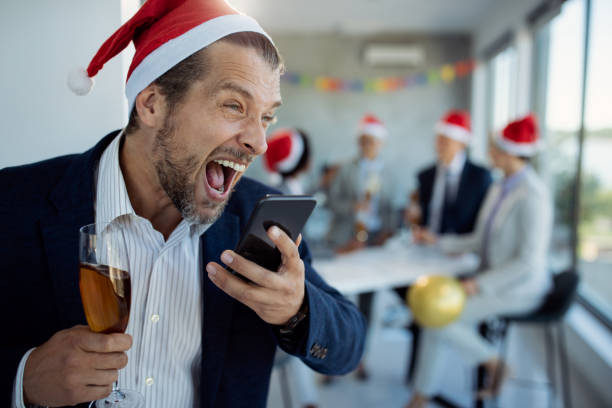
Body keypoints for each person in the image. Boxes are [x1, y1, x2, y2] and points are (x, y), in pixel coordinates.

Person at [0, 1, 366, 407]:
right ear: (152, 103)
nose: (259, 143)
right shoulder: (12, 202)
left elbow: (349, 344)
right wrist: (24, 377)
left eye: (266, 118)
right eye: (234, 106)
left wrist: (297, 309)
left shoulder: (260, 215)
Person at [406, 114, 553, 408]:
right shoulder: (500, 186)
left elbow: (528, 263)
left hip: (520, 289)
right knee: (433, 313)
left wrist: (478, 284)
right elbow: (478, 238)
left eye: (494, 148)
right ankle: (422, 395)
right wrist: (438, 241)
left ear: (511, 152)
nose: (488, 153)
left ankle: (493, 364)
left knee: (437, 318)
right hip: (492, 278)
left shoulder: (533, 195)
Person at [326, 113, 396, 380]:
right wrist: (352, 207)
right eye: (364, 140)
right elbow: (331, 201)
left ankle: (360, 358)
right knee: (337, 300)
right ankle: (332, 358)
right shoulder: (346, 168)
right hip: (346, 240)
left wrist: (387, 233)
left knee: (368, 305)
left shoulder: (388, 174)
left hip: (373, 243)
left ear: (381, 144)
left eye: (373, 141)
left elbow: (392, 210)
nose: (368, 145)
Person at [264, 128, 320, 408]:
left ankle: (307, 397)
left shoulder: (290, 190)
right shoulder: (284, 196)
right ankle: (307, 400)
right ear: (300, 161)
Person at [412, 110, 492, 243]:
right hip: (426, 249)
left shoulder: (480, 177)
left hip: (463, 252)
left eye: (445, 141)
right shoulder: (425, 176)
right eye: (438, 140)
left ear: (462, 144)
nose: (438, 146)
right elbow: (422, 217)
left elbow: (483, 224)